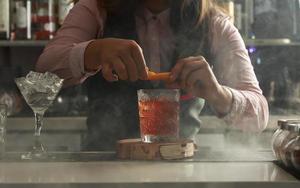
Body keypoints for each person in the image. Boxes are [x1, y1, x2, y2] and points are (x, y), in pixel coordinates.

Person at [36, 0, 269, 150]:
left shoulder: (213, 23)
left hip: (180, 173)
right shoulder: (97, 9)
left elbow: (259, 115)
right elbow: (42, 72)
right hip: (102, 170)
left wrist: (219, 94)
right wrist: (94, 52)